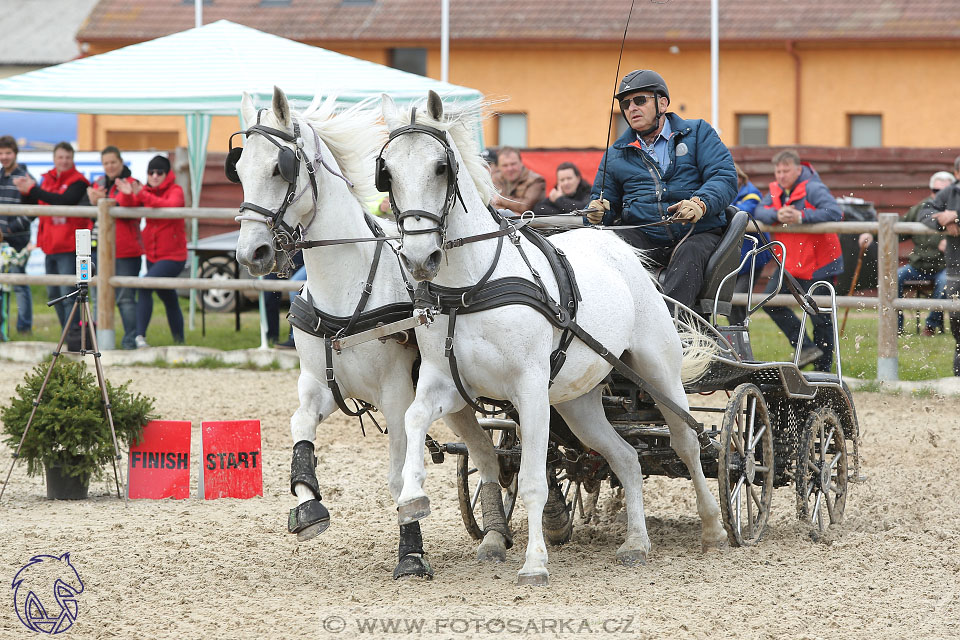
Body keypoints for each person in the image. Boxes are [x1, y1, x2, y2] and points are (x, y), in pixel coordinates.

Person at [587, 69, 738, 309]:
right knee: (606, 245)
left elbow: (724, 177)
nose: (631, 108)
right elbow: (604, 201)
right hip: (646, 236)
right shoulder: (615, 153)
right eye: (626, 104)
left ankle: (674, 332)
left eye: (640, 100)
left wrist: (700, 203)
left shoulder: (698, 133)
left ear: (663, 103)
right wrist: (597, 210)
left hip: (697, 233)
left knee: (688, 254)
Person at [753, 149, 844, 371]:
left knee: (819, 317)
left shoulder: (813, 187)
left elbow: (835, 212)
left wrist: (802, 217)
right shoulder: (776, 190)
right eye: (778, 171)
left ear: (798, 169)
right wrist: (777, 215)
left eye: (785, 171)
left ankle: (823, 371)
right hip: (790, 263)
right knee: (770, 302)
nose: (781, 175)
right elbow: (759, 211)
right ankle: (804, 346)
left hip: (819, 263)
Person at [15, 142, 91, 329]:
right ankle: (66, 335)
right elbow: (36, 201)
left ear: (73, 159)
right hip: (50, 244)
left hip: (69, 246)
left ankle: (72, 335)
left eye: (67, 157)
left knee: (68, 293)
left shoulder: (79, 181)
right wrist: (25, 192)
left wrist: (32, 189)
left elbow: (64, 201)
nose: (64, 161)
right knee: (54, 294)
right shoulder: (47, 179)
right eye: (60, 157)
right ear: (54, 159)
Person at [114, 155, 185, 347]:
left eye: (159, 172)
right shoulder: (143, 190)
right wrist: (129, 194)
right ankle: (180, 341)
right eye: (151, 172)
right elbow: (127, 205)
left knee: (144, 286)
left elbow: (172, 206)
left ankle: (139, 337)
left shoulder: (176, 190)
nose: (154, 176)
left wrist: (141, 195)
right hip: (153, 255)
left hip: (173, 256)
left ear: (167, 174)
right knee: (169, 297)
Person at [82, 146, 144, 349]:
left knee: (125, 298)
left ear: (121, 162)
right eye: (106, 163)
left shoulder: (133, 184)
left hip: (125, 250)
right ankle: (99, 341)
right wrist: (92, 202)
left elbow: (133, 210)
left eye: (113, 162)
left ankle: (130, 341)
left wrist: (105, 200)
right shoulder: (98, 184)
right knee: (98, 295)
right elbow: (91, 214)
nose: (109, 166)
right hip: (99, 246)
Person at [898, 171, 955, 335]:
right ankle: (896, 326)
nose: (939, 195)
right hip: (918, 265)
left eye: (944, 191)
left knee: (946, 282)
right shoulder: (921, 208)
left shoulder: (956, 209)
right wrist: (871, 233)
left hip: (946, 267)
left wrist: (952, 245)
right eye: (936, 191)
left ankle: (930, 325)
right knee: (893, 278)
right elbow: (899, 228)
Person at [918, 155, 960, 376]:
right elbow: (924, 212)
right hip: (956, 266)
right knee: (956, 320)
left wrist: (957, 216)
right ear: (957, 174)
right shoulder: (950, 192)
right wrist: (943, 222)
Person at [0, 135, 35, 334]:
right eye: (1, 153)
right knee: (2, 286)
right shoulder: (0, 176)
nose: (4, 157)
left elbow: (33, 211)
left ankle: (24, 327)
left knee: (19, 283)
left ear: (15, 154)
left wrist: (10, 229)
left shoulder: (25, 177)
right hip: (1, 239)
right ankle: (2, 328)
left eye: (8, 153)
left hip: (18, 239)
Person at [728, 163, 769, 325]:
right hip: (734, 258)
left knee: (737, 300)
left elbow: (743, 213)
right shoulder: (730, 194)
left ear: (739, 177)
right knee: (731, 302)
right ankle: (739, 345)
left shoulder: (751, 193)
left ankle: (740, 344)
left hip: (752, 258)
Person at [491, 147, 545, 214]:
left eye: (513, 164)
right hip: (503, 222)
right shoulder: (495, 178)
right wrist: (513, 213)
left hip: (529, 223)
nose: (510, 169)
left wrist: (501, 200)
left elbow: (525, 207)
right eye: (505, 165)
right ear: (498, 167)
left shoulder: (536, 180)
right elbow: (491, 205)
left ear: (521, 163)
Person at [0, 230, 32, 341]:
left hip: (3, 288)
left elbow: (19, 261)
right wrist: (27, 251)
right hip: (3, 287)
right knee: (3, 313)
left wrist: (26, 251)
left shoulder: (7, 251)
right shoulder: (7, 250)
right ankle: (4, 335)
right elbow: (20, 260)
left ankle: (4, 336)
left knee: (3, 313)